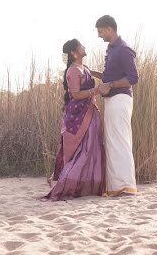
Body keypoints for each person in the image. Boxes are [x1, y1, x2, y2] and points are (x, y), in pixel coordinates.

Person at [44, 39, 110, 201]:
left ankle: (88, 187)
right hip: (79, 115)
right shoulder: (73, 71)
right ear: (74, 53)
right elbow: (75, 94)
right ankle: (73, 186)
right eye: (81, 46)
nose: (84, 47)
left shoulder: (83, 68)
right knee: (83, 150)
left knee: (92, 147)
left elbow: (97, 76)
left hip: (90, 111)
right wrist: (97, 90)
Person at [94, 14, 139, 197]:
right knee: (113, 142)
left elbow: (133, 78)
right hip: (112, 100)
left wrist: (110, 85)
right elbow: (108, 77)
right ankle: (117, 187)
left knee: (120, 141)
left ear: (109, 29)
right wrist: (91, 73)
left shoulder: (123, 49)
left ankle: (126, 186)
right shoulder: (111, 49)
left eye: (100, 32)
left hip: (120, 99)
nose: (99, 35)